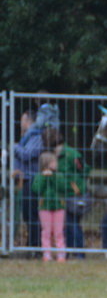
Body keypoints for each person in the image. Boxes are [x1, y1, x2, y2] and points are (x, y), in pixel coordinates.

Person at [34, 149, 79, 262]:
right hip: (45, 207)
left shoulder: (59, 176)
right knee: (46, 231)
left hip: (59, 207)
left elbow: (62, 188)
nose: (56, 164)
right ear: (46, 164)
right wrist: (44, 177)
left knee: (59, 231)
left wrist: (53, 177)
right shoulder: (39, 176)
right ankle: (47, 254)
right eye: (54, 162)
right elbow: (37, 189)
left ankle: (61, 255)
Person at [12, 109, 44, 249]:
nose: (21, 123)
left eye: (23, 120)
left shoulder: (36, 137)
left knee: (32, 214)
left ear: (30, 121)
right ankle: (31, 242)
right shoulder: (26, 138)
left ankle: (35, 245)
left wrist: (15, 147)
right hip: (23, 181)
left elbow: (27, 155)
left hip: (32, 180)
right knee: (26, 214)